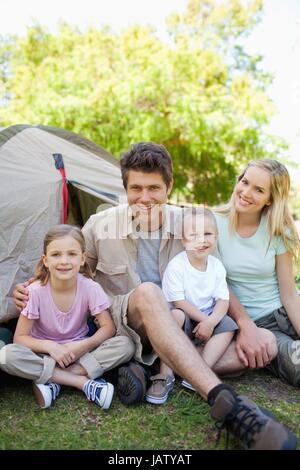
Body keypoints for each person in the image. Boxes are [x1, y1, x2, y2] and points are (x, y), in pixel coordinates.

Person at [12, 143, 297, 449]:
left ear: (169, 187)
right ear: (124, 188)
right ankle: (226, 404)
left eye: (153, 188)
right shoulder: (100, 225)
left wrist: (243, 324)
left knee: (241, 356)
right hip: (124, 323)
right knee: (150, 293)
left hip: (175, 327)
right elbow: (73, 271)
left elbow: (217, 276)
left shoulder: (190, 225)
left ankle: (142, 370)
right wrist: (36, 286)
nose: (145, 198)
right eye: (136, 188)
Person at [0, 225, 134, 409]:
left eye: (72, 254)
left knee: (126, 345)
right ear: (45, 260)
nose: (64, 261)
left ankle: (53, 379)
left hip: (79, 352)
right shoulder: (35, 291)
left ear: (82, 259)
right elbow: (20, 338)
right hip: (43, 354)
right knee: (6, 356)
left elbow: (108, 328)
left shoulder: (90, 287)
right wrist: (50, 346)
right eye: (56, 255)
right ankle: (83, 383)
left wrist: (82, 346)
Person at [213, 159, 300, 387]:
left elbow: (290, 295)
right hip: (257, 324)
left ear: (270, 199)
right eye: (245, 182)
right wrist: (246, 326)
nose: (246, 192)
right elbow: (218, 284)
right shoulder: (213, 223)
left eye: (259, 190)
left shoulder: (279, 230)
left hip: (285, 312)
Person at [162, 207, 238, 393]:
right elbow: (179, 301)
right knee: (176, 316)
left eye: (207, 234)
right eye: (193, 235)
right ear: (184, 240)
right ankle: (166, 372)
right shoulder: (177, 266)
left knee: (228, 325)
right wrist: (206, 322)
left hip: (207, 318)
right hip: (185, 320)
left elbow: (223, 300)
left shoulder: (216, 266)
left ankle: (201, 370)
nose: (202, 240)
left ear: (216, 236)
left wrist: (212, 322)